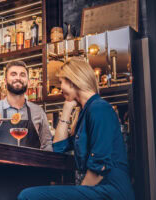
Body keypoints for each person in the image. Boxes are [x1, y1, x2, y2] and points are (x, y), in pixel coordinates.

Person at [18, 57, 135, 200]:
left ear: (72, 81)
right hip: (99, 189)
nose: (60, 89)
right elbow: (58, 149)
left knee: (28, 196)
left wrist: (80, 192)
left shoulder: (99, 108)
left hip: (111, 190)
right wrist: (67, 109)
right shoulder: (86, 113)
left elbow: (99, 167)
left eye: (61, 83)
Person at [0, 61, 52, 151]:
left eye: (22, 75)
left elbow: (47, 145)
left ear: (29, 82)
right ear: (5, 81)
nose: (18, 78)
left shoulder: (38, 111)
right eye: (13, 74)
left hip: (30, 164)